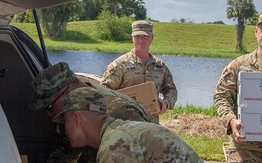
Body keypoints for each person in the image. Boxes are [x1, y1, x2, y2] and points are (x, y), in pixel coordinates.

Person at [30, 61, 158, 163]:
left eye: (49, 106)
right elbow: (65, 152)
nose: (49, 114)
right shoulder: (71, 112)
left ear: (67, 94)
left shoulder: (120, 112)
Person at [52, 87, 203, 163]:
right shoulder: (123, 131)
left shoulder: (115, 146)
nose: (64, 129)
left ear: (77, 118)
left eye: (65, 121)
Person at [100, 20, 177, 121]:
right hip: (124, 123)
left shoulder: (160, 66)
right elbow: (103, 90)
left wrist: (166, 103)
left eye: (145, 37)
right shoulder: (120, 64)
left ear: (152, 38)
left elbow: (171, 89)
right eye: (137, 37)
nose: (141, 40)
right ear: (132, 38)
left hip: (151, 122)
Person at [213, 14, 262, 162]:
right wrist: (231, 120)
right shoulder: (238, 65)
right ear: (256, 31)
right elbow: (221, 97)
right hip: (245, 148)